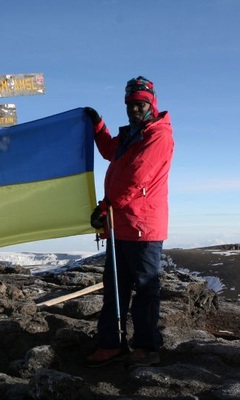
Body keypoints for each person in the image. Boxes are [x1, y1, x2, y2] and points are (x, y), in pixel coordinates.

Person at [85, 76, 174, 368]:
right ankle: (112, 343)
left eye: (140, 104)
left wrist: (106, 205)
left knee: (146, 289)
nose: (134, 109)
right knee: (114, 287)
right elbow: (110, 151)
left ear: (151, 104)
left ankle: (147, 347)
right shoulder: (130, 135)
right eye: (130, 105)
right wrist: (98, 126)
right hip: (119, 223)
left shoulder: (158, 135)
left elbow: (138, 177)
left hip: (143, 226)